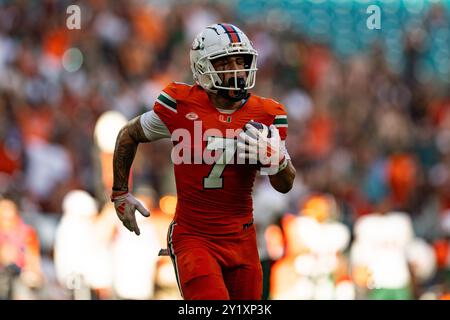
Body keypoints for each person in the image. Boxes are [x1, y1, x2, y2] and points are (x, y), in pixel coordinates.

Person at [110, 23, 296, 300]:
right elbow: (129, 133)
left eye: (240, 61)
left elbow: (285, 184)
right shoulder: (181, 106)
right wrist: (120, 192)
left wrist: (278, 160)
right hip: (194, 238)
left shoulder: (266, 114)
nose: (236, 70)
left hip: (242, 238)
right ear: (203, 68)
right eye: (226, 63)